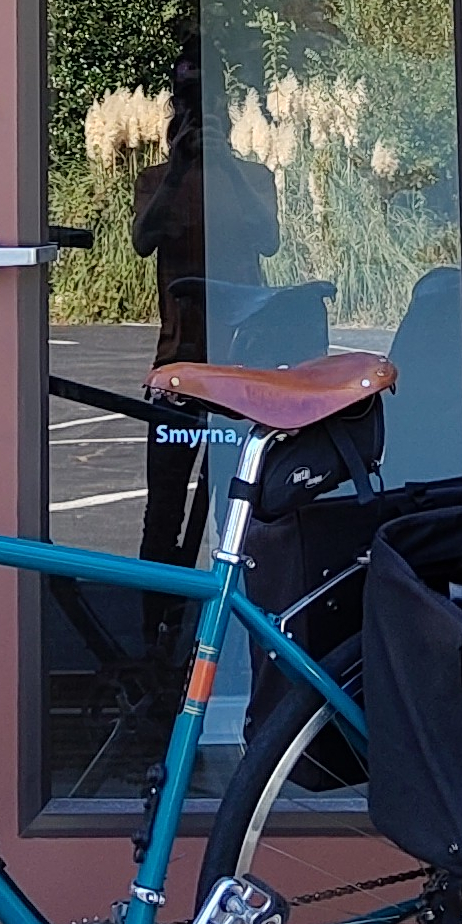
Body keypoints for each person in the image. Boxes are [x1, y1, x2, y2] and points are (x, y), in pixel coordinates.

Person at [130, 58, 278, 576]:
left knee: (238, 507)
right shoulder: (156, 180)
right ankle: (154, 631)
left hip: (242, 362)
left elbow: (269, 239)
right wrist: (175, 170)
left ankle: (230, 636)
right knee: (163, 510)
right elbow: (142, 240)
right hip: (179, 362)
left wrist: (228, 168)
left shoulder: (253, 177)